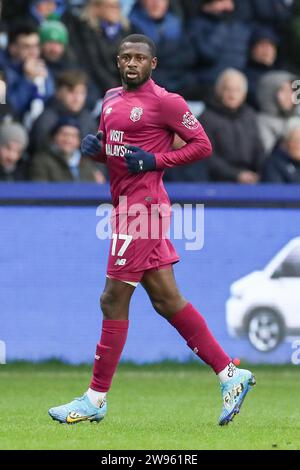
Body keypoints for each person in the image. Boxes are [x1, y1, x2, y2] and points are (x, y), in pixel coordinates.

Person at [48, 34, 255, 427]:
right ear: (117, 61)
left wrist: (156, 161)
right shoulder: (109, 99)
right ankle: (231, 374)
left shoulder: (166, 102)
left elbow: (202, 144)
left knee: (112, 299)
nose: (131, 63)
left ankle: (95, 398)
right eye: (125, 57)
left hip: (143, 211)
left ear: (152, 64)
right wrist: (99, 149)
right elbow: (119, 149)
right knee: (166, 299)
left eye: (139, 58)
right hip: (125, 206)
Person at [201, 69, 265, 183]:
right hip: (218, 181)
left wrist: (260, 172)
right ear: (219, 91)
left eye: (237, 90)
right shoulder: (207, 118)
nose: (232, 95)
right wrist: (236, 175)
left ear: (244, 94)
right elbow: (207, 157)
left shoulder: (250, 115)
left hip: (251, 178)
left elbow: (258, 149)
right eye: (228, 89)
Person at [30, 70, 97, 154]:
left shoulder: (88, 119)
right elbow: (39, 153)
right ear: (58, 92)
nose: (77, 99)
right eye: (71, 92)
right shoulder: (46, 119)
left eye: (81, 93)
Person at [2, 22, 55, 124]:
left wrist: (44, 81)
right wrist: (27, 79)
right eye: (27, 47)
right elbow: (8, 110)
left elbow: (50, 103)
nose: (33, 52)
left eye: (36, 46)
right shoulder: (3, 70)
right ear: (13, 49)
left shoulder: (42, 67)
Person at [30, 117, 105, 182]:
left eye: (73, 136)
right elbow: (41, 192)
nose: (68, 140)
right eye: (64, 134)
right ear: (54, 137)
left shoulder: (87, 164)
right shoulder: (41, 161)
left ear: (79, 141)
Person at [257, 71, 299, 153]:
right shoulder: (262, 122)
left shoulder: (296, 119)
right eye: (284, 91)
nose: (289, 96)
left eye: (293, 91)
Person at [262, 118, 300, 183]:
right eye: (294, 141)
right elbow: (275, 190)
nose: (297, 145)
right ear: (286, 142)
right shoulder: (274, 163)